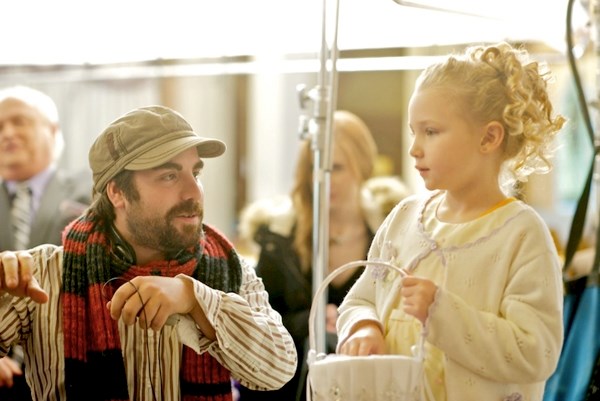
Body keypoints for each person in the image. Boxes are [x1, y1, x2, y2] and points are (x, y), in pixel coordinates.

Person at [0, 105, 297, 401]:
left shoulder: (230, 268)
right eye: (169, 175)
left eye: (196, 172)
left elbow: (277, 371)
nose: (193, 192)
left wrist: (195, 299)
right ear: (117, 192)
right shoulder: (42, 275)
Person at [336, 42, 566, 401]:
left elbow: (537, 352)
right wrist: (364, 326)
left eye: (430, 131)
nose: (414, 147)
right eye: (413, 131)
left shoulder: (521, 232)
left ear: (488, 137)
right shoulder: (403, 218)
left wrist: (442, 313)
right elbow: (360, 298)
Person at [236, 110, 411, 401]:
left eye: (337, 168)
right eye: (314, 168)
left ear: (362, 166)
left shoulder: (391, 236)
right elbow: (255, 320)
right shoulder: (279, 238)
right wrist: (310, 320)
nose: (323, 179)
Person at [0, 86, 91, 400]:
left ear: (53, 130)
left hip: (71, 375)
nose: (7, 133)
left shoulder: (93, 193)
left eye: (19, 121)